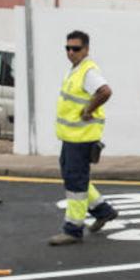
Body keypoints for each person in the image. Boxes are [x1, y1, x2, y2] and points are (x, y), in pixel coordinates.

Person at [49, 31, 118, 246]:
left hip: (81, 137)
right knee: (75, 177)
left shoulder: (88, 71)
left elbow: (105, 92)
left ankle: (73, 229)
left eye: (76, 48)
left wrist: (89, 110)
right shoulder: (76, 70)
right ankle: (103, 211)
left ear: (86, 49)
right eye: (67, 48)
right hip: (72, 137)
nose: (71, 52)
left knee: (75, 182)